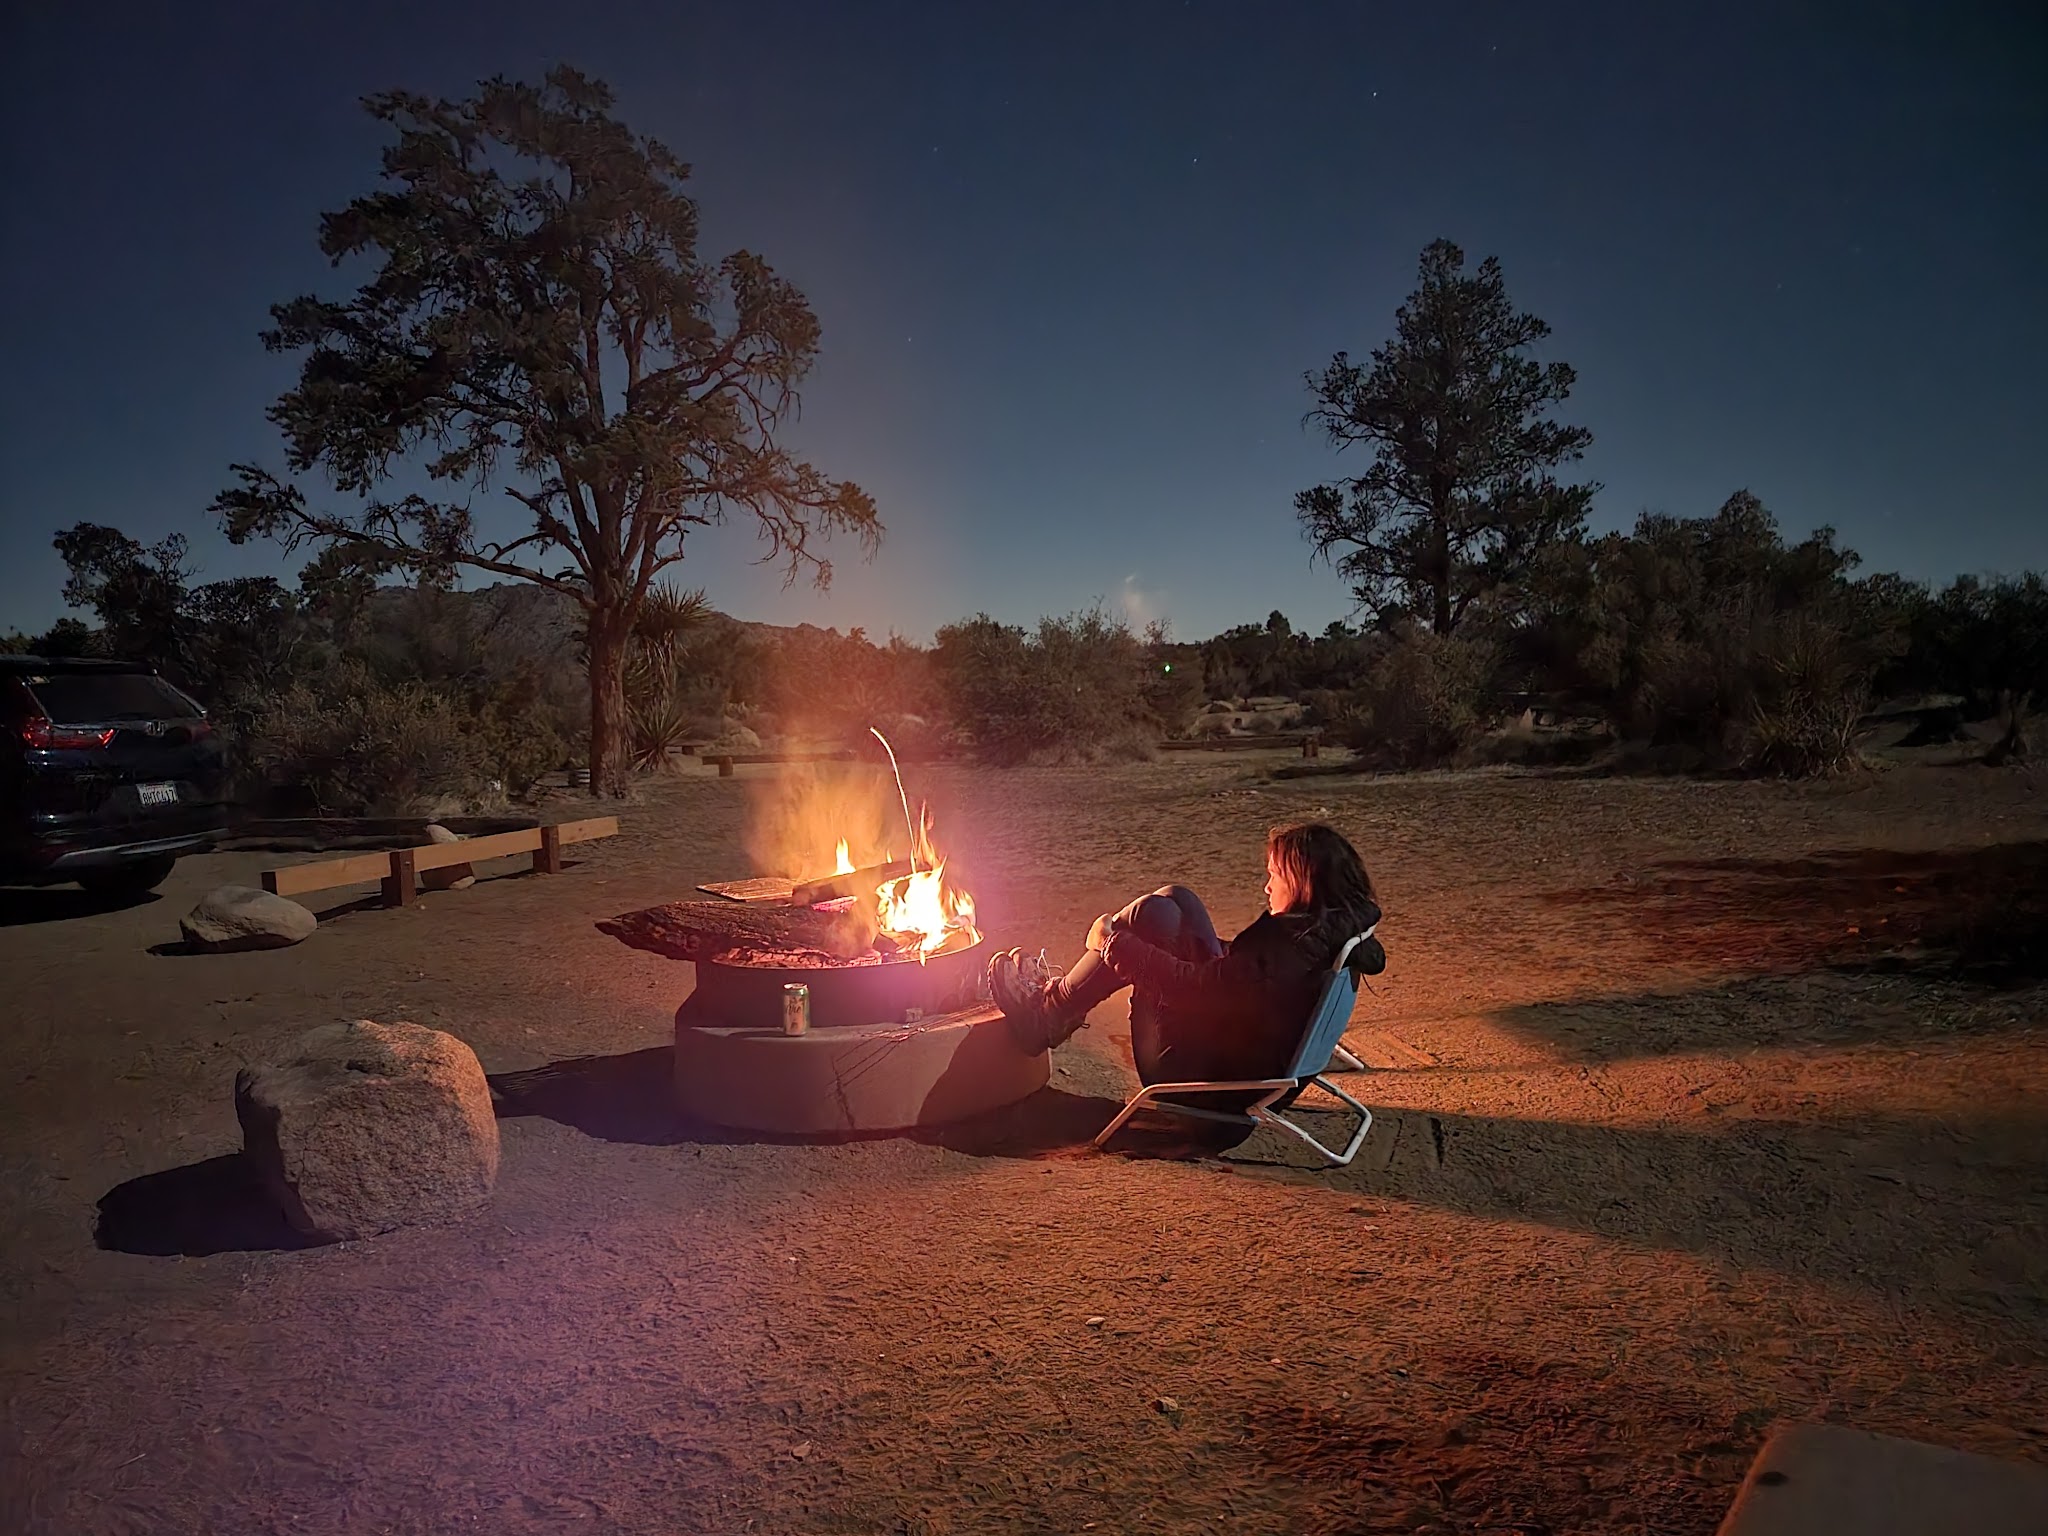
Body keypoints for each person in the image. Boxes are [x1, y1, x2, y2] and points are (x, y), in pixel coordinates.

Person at [986, 823, 1384, 1097]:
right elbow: (1241, 976)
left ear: (1303, 883)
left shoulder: (1289, 946)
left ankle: (1047, 1014)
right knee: (1174, 900)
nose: (1267, 886)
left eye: (1275, 876)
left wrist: (1109, 942)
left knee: (1145, 919)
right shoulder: (1327, 930)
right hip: (1232, 1049)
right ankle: (1054, 1008)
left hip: (1195, 1076)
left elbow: (1192, 990)